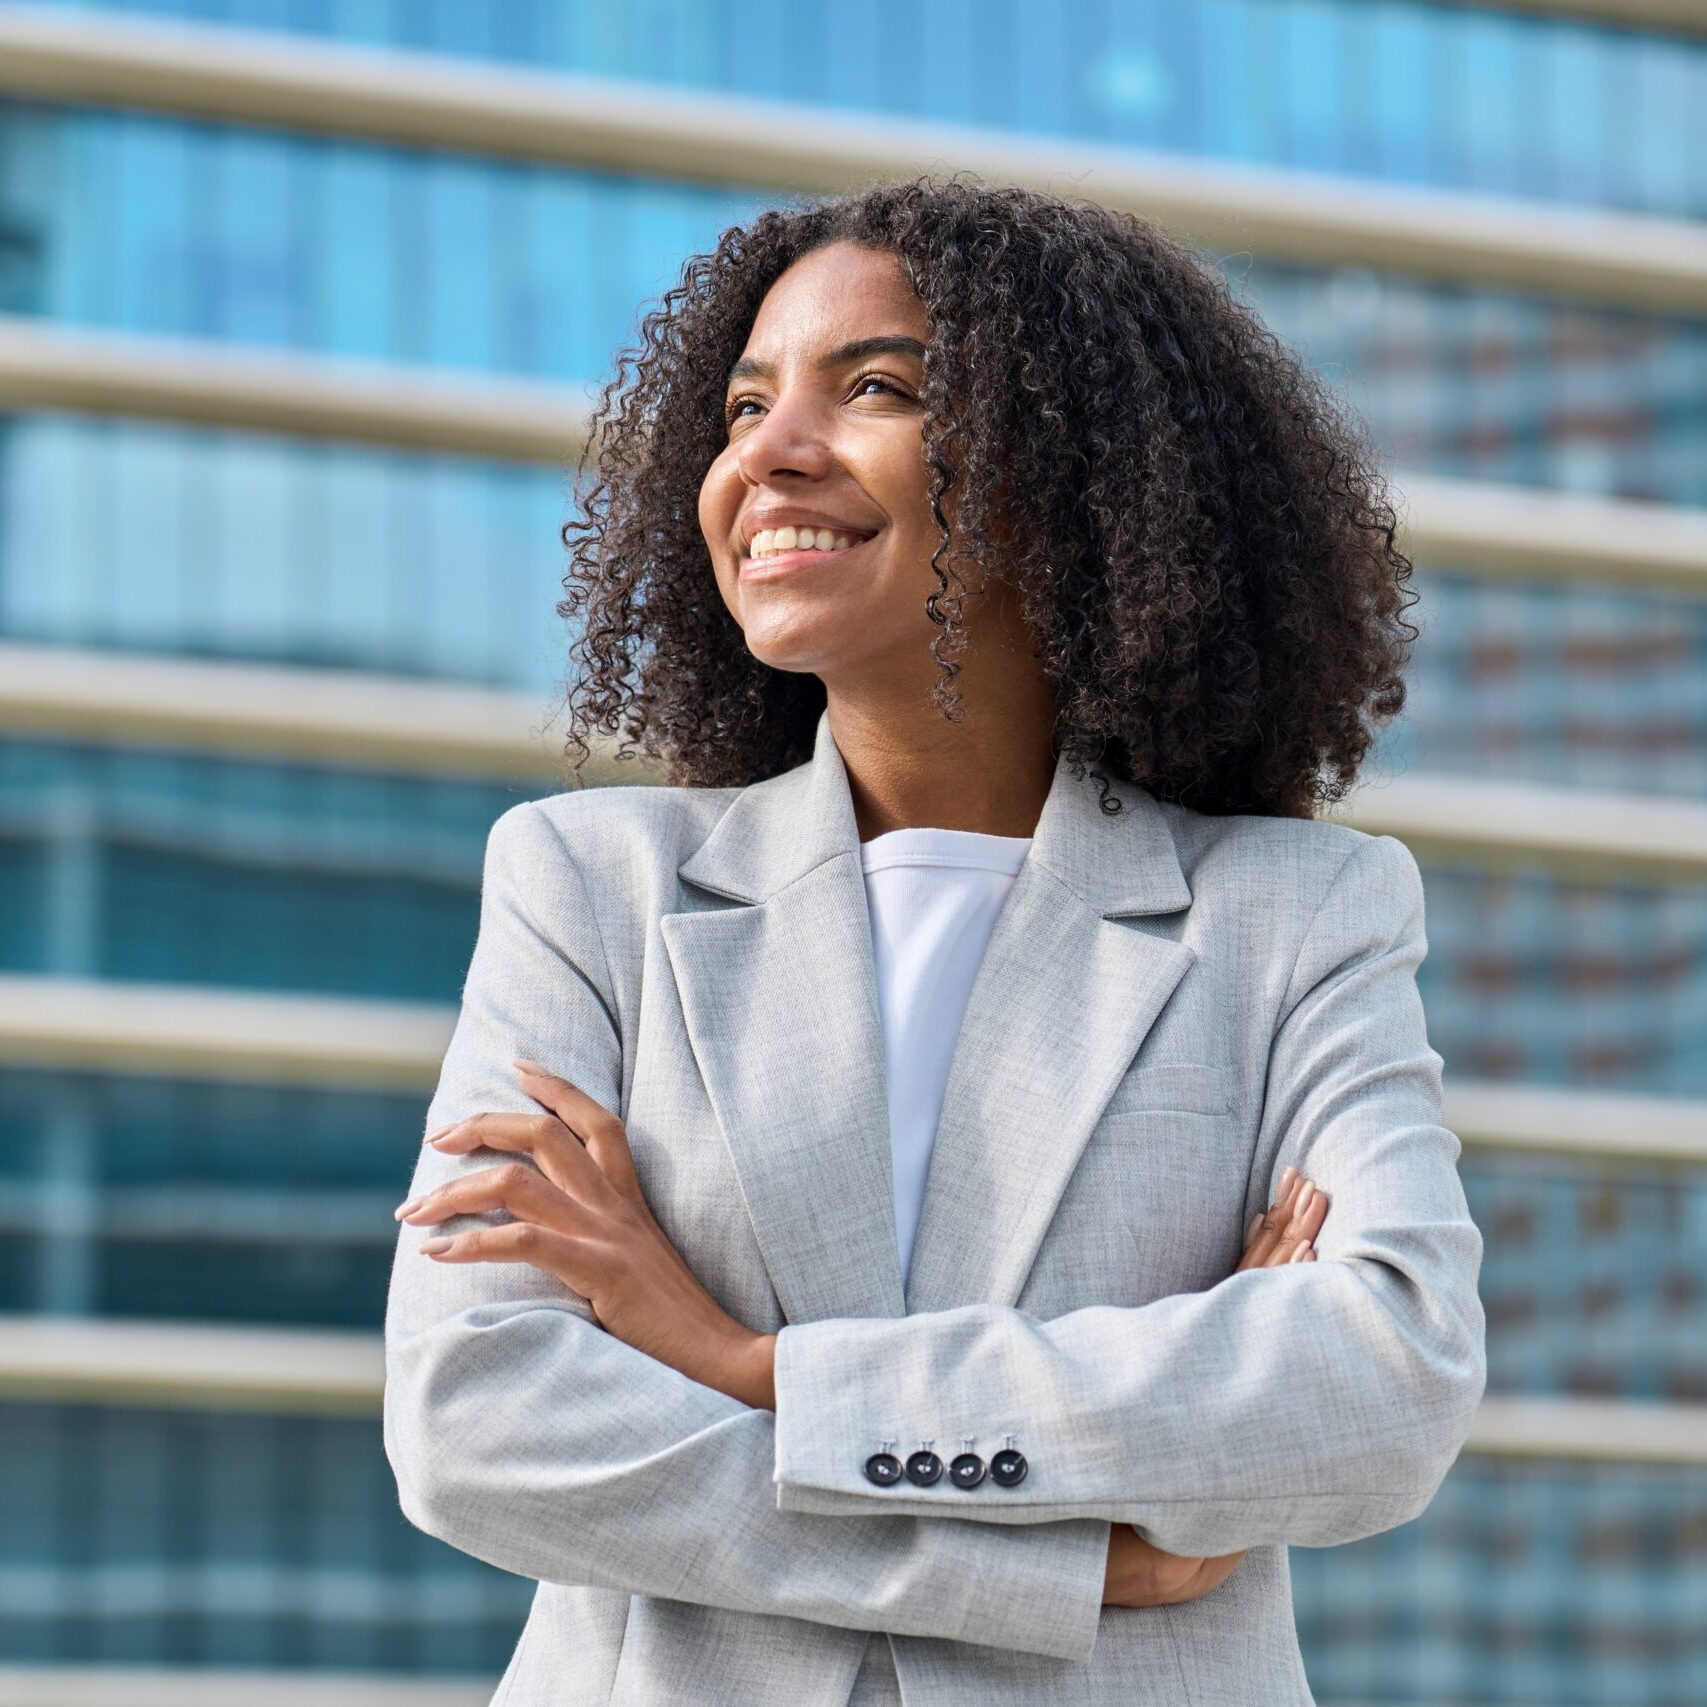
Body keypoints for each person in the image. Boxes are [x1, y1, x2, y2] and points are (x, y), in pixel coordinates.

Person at [383, 175, 1486, 1706]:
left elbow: (1384, 1381)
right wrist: (1057, 1563)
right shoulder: (590, 887)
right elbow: (476, 1422)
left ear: (1081, 472)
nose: (768, 452)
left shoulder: (1297, 916)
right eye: (745, 403)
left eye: (878, 388)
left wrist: (748, 1367)